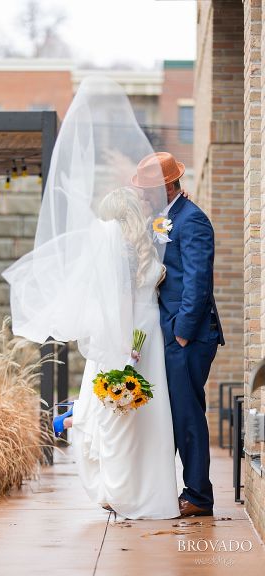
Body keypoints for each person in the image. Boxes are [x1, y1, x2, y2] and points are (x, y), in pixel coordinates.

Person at [2, 77, 180, 519]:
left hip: (131, 335)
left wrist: (121, 346)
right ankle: (142, 490)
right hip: (144, 335)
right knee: (141, 418)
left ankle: (121, 488)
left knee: (123, 414)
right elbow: (128, 294)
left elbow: (119, 298)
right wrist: (128, 346)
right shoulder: (137, 247)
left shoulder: (129, 244)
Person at [131, 151, 225, 517]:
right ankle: (155, 488)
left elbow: (199, 283)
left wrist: (182, 334)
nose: (143, 195)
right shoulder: (165, 219)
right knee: (171, 415)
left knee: (187, 415)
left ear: (168, 186)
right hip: (167, 334)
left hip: (189, 337)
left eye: (148, 189)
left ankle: (199, 496)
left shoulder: (194, 220)